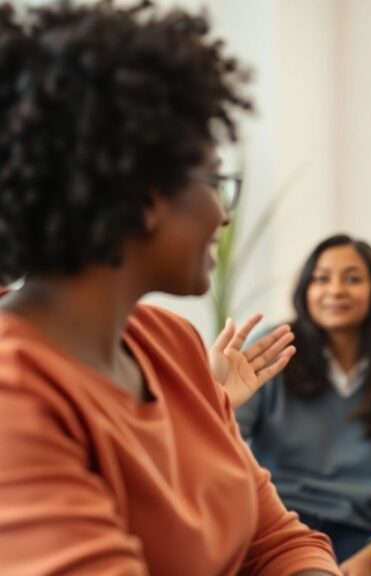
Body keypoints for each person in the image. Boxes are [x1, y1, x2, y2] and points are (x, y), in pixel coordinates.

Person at [0, 2, 340, 574]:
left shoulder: (174, 345)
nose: (224, 215)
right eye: (215, 181)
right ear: (146, 197)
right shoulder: (16, 394)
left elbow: (279, 542)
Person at [235, 234, 371, 576]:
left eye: (352, 278)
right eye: (321, 279)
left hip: (361, 538)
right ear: (305, 290)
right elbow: (223, 436)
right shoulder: (273, 349)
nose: (335, 290)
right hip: (277, 525)